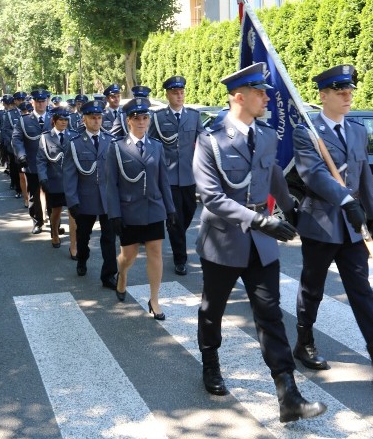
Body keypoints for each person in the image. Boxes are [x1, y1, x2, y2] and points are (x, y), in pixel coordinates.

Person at [192, 62, 326, 424]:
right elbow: (211, 196)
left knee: (270, 316)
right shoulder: (210, 139)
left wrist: (293, 211)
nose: (267, 97)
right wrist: (261, 220)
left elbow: (274, 179)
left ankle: (288, 393)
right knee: (213, 309)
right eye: (260, 92)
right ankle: (210, 361)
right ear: (239, 96)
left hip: (262, 244)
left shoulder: (266, 135)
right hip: (223, 240)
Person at [292, 64, 373, 385]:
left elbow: (362, 176)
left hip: (352, 227)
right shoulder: (306, 131)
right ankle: (304, 342)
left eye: (349, 90)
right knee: (313, 288)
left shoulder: (358, 130)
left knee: (360, 290)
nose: (347, 95)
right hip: (320, 223)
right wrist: (347, 202)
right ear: (323, 96)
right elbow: (315, 176)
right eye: (339, 91)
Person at [106, 97, 175, 319]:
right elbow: (111, 185)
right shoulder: (116, 148)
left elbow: (164, 180)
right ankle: (122, 275)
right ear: (129, 121)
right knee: (129, 255)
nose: (142, 122)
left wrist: (170, 208)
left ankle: (154, 299)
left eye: (145, 118)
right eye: (137, 118)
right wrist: (114, 214)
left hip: (154, 208)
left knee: (156, 252)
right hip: (129, 211)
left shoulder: (157, 146)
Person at [63, 99, 119, 290]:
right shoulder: (74, 143)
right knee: (83, 235)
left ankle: (109, 275)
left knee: (109, 239)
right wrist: (72, 201)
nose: (96, 121)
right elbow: (69, 174)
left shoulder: (111, 141)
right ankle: (82, 259)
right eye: (92, 118)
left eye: (99, 117)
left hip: (107, 200)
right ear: (84, 119)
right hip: (85, 199)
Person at [148, 75, 200, 276]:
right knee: (176, 217)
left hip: (189, 175)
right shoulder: (159, 118)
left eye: (181, 92)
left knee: (188, 212)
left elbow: (203, 142)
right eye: (175, 93)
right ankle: (180, 258)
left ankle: (176, 233)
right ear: (168, 95)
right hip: (168, 176)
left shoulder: (193, 116)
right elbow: (151, 143)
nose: (179, 96)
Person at [12, 88, 53, 234]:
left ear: (47, 101)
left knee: (53, 194)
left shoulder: (55, 118)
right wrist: (21, 155)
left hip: (52, 164)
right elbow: (16, 138)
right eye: (38, 101)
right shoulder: (24, 121)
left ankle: (55, 221)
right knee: (34, 195)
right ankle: (37, 221)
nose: (41, 104)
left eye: (43, 101)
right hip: (33, 163)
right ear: (32, 102)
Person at [37, 108, 78, 255]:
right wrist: (43, 178)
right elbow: (41, 160)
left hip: (72, 181)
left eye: (66, 120)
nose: (64, 122)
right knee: (56, 212)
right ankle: (54, 232)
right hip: (54, 181)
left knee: (73, 213)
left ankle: (74, 246)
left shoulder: (74, 136)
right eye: (61, 120)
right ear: (54, 120)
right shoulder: (46, 137)